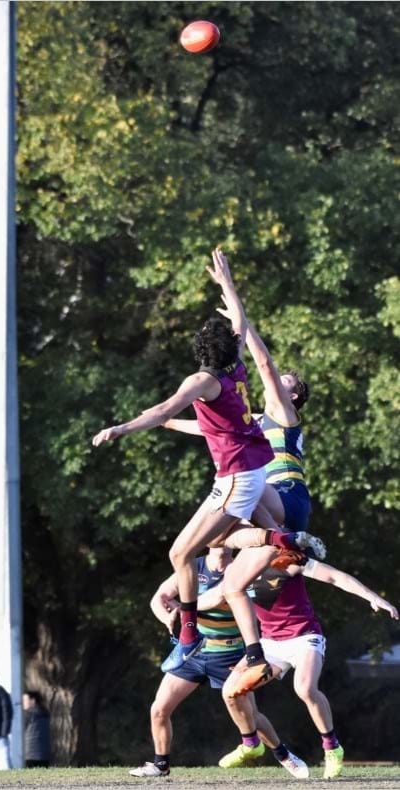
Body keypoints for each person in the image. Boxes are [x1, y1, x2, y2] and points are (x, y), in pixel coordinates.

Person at [91, 247, 324, 677]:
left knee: (182, 552)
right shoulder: (235, 373)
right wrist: (229, 287)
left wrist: (123, 428)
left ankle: (189, 635)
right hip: (253, 476)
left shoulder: (216, 384)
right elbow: (214, 413)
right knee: (225, 544)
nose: (281, 381)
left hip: (252, 482)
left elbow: (167, 405)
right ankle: (282, 541)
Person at [161, 249, 319, 697]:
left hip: (286, 497)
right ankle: (256, 656)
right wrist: (167, 420)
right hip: (271, 500)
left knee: (232, 505)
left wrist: (236, 311)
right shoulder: (257, 421)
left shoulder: (284, 416)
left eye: (287, 383)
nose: (278, 380)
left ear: (293, 397)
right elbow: (215, 427)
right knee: (227, 571)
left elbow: (263, 364)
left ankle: (284, 541)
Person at [129, 547, 308, 779]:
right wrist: (168, 618)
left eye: (227, 535)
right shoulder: (194, 567)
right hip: (194, 652)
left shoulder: (241, 568)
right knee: (159, 709)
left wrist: (184, 608)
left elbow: (219, 596)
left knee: (252, 716)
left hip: (230, 654)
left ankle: (283, 755)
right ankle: (160, 765)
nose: (222, 540)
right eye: (218, 534)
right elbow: (159, 598)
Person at [217, 549, 397, 779]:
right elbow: (214, 598)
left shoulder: (287, 559)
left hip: (304, 637)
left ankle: (332, 748)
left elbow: (335, 576)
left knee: (304, 688)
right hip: (270, 644)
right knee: (230, 692)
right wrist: (183, 609)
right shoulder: (235, 571)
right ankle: (251, 743)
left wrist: (372, 596)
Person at [21, 691, 51, 768]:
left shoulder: (28, 714)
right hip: (45, 754)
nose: (22, 703)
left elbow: (19, 731)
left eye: (25, 700)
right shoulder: (45, 713)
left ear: (33, 701)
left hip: (30, 754)